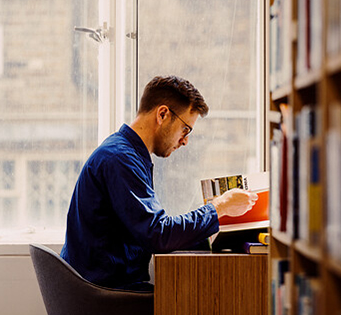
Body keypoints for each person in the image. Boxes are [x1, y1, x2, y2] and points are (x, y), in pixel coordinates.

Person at [60, 75, 257, 291]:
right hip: (107, 295)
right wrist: (219, 207)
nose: (185, 141)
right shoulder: (120, 159)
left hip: (105, 287)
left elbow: (153, 231)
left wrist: (209, 228)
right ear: (162, 114)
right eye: (185, 129)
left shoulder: (127, 155)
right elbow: (158, 235)